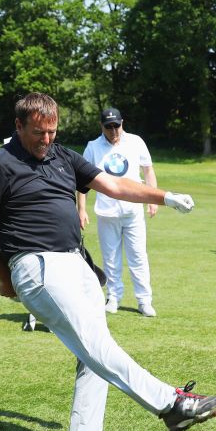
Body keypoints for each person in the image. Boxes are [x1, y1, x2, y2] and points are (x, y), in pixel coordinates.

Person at [0, 92, 216, 431]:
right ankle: (173, 404)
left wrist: (164, 196)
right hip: (36, 266)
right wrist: (5, 276)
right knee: (96, 343)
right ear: (19, 125)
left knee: (92, 354)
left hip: (77, 263)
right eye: (38, 133)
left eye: (53, 131)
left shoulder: (63, 156)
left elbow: (114, 185)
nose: (46, 140)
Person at [77, 107, 159, 317]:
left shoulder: (136, 141)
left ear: (123, 123)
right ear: (101, 126)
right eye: (109, 127)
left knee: (138, 256)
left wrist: (153, 198)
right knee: (111, 258)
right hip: (107, 211)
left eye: (117, 126)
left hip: (133, 211)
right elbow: (83, 180)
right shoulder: (93, 147)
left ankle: (144, 300)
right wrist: (81, 209)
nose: (113, 131)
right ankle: (113, 297)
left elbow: (147, 170)